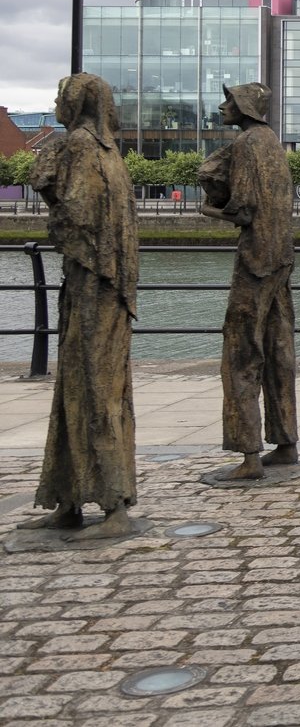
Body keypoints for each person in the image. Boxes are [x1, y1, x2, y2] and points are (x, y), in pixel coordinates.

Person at [21, 73, 139, 540]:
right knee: (79, 386)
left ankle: (113, 507)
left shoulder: (79, 147)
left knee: (93, 388)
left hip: (94, 284)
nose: (54, 102)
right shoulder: (109, 152)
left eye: (60, 95)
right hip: (100, 287)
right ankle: (68, 500)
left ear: (76, 102)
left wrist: (44, 176)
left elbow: (76, 214)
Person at [199, 83, 299, 481]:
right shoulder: (272, 142)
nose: (223, 106)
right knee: (279, 348)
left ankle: (249, 454)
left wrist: (209, 210)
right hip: (281, 258)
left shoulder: (244, 144)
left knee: (241, 352)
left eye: (230, 101)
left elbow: (242, 210)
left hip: (255, 259)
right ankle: (286, 442)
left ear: (244, 108)